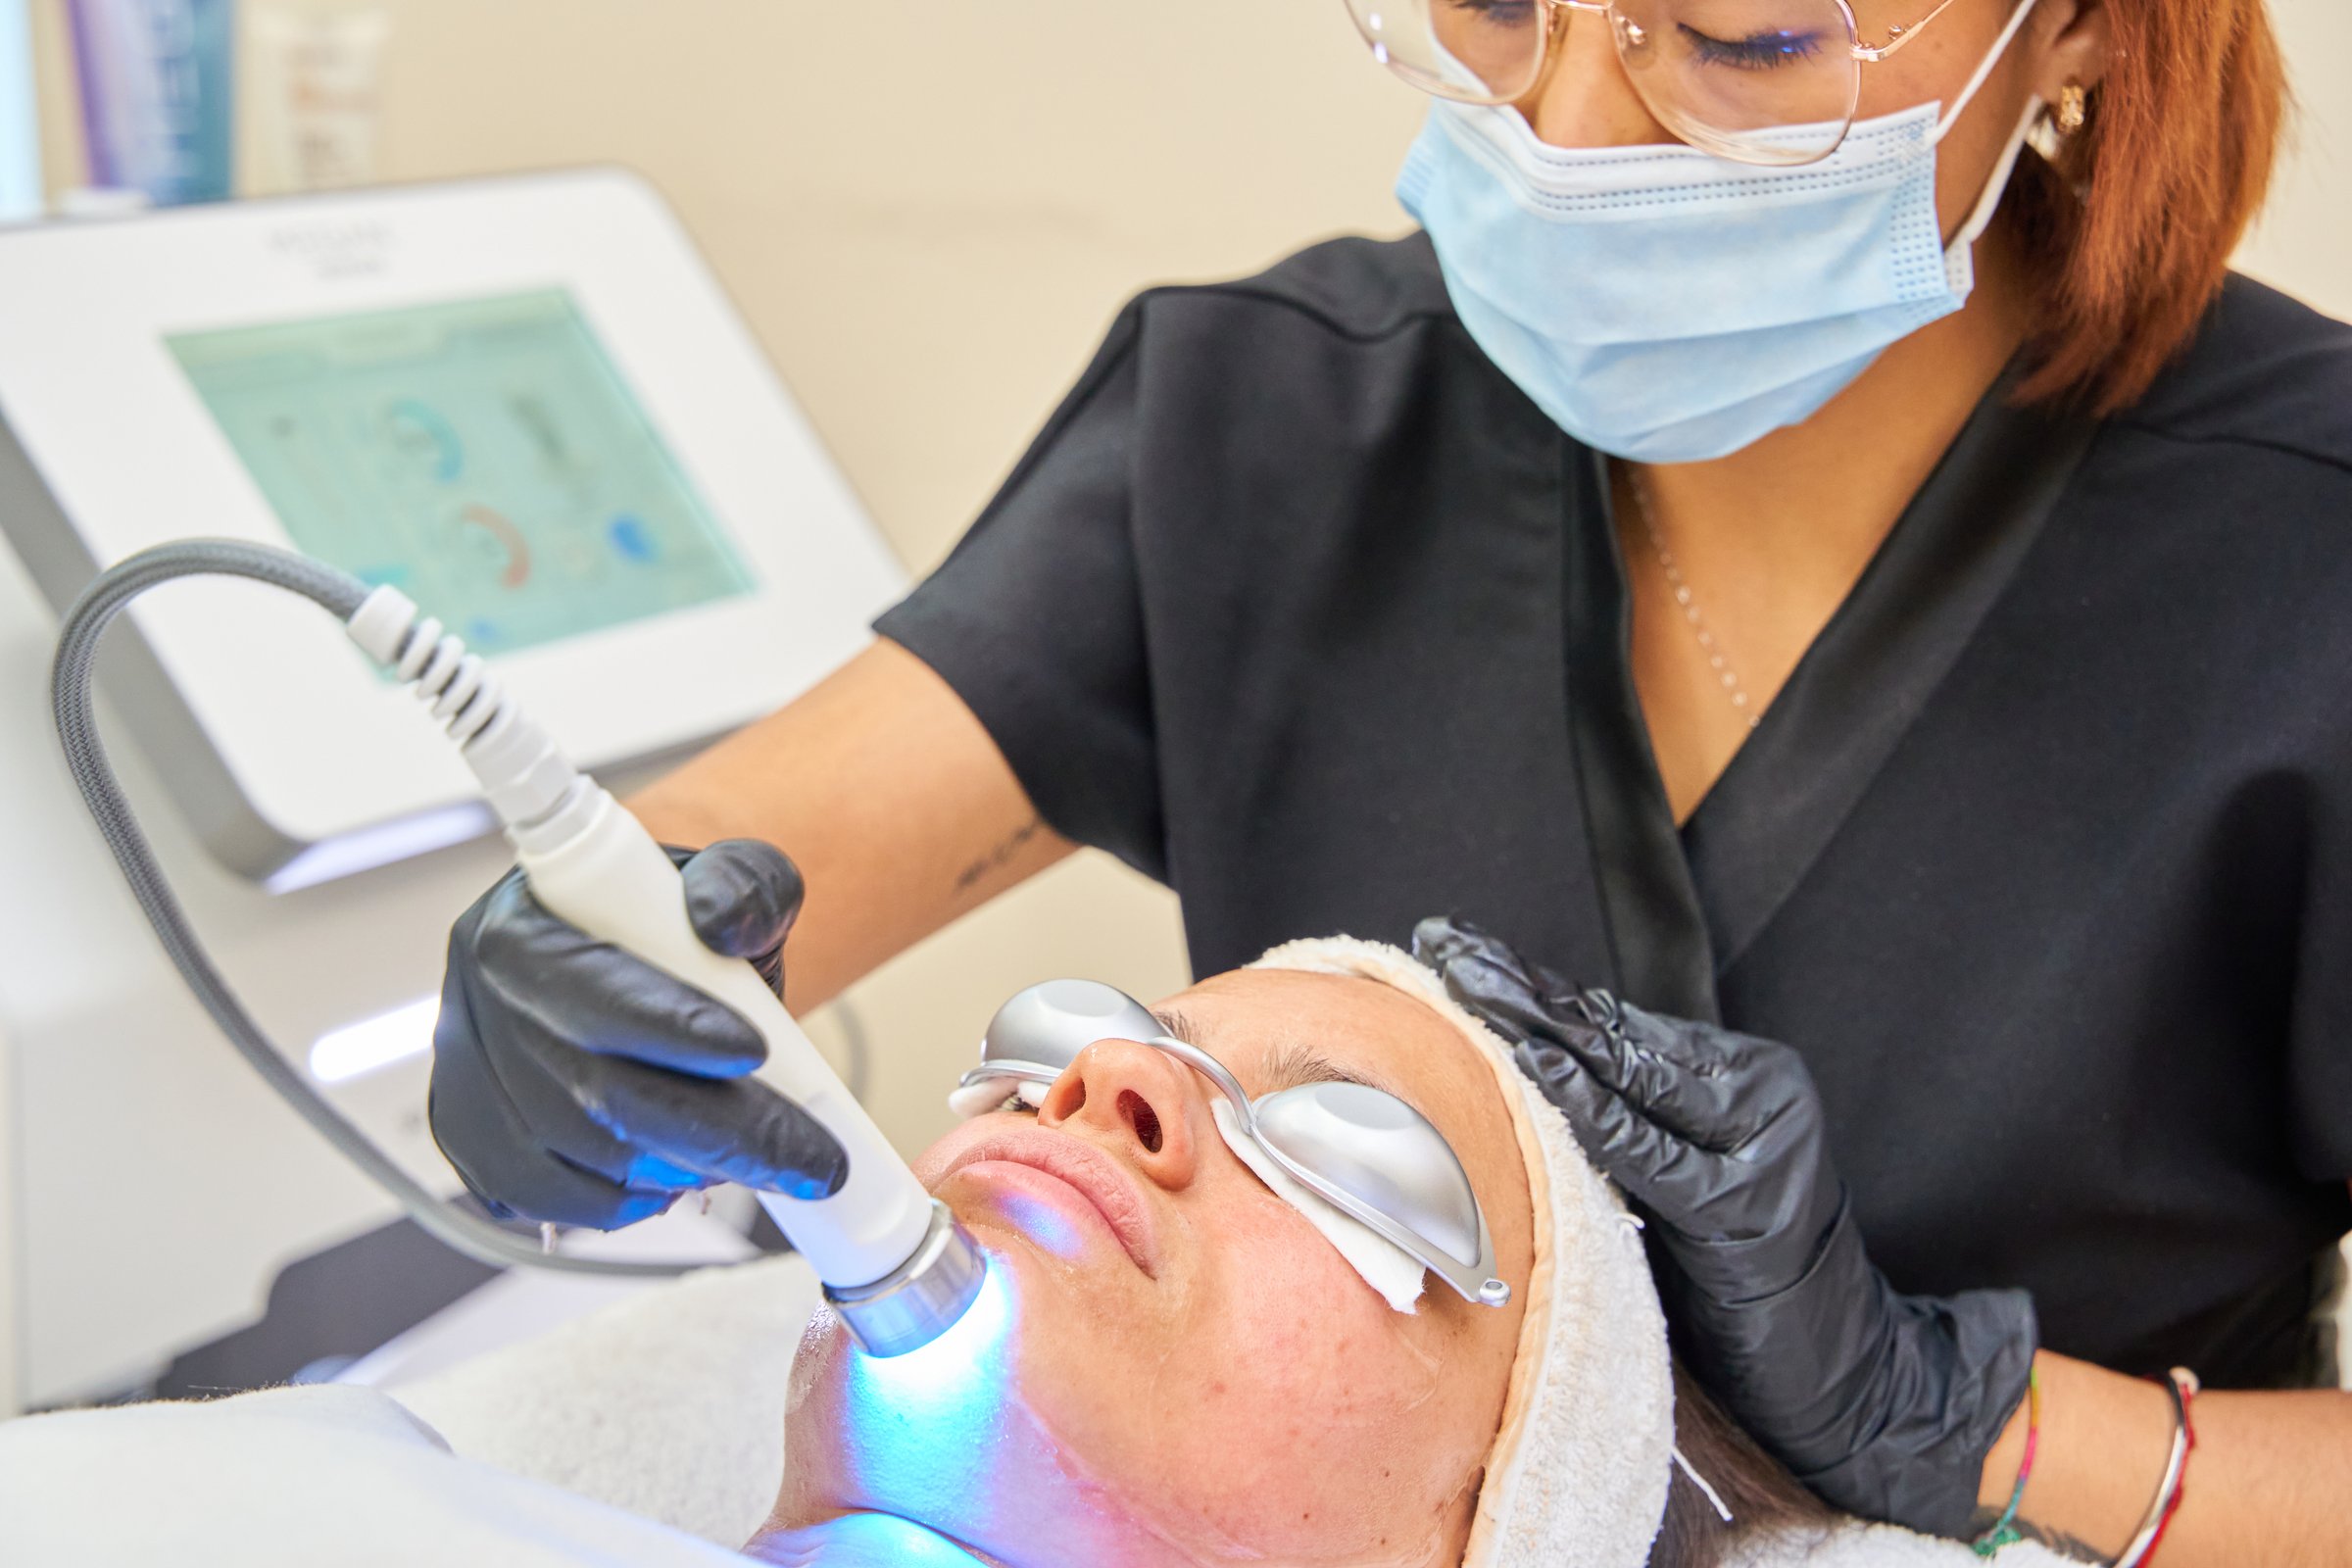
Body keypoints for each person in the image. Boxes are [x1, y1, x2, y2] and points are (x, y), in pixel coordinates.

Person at [426, 0, 2352, 1559]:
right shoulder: (1280, 422)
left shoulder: (2305, 566)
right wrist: (569, 992)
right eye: (1506, 4)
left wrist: (1979, 1424)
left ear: (2089, 25)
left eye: (1747, 38)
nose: (1577, 132)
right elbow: (706, 884)